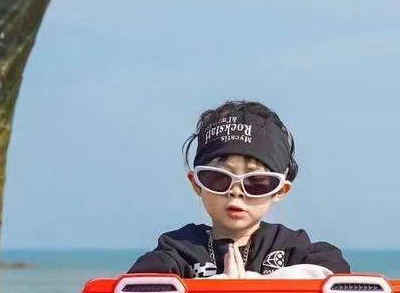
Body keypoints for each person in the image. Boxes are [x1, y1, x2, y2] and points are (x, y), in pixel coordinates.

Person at [128, 101, 350, 279]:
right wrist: (213, 288)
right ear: (196, 183)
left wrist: (260, 285)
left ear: (280, 190)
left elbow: (335, 271)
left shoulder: (291, 247)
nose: (236, 191)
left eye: (256, 182)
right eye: (219, 178)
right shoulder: (179, 250)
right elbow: (138, 286)